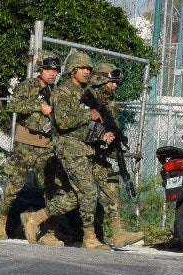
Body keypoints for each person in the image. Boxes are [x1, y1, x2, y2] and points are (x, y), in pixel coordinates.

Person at [21, 50, 109, 249]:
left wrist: (102, 134)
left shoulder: (84, 93)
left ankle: (36, 217)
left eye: (88, 68)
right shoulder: (63, 92)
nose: (86, 72)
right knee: (88, 192)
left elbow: (85, 126)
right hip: (70, 150)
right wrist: (89, 116)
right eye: (82, 68)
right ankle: (89, 237)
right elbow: (63, 121)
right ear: (72, 71)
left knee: (74, 195)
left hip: (84, 149)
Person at [0, 54, 60, 241]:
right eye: (48, 70)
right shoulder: (28, 86)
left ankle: (49, 231)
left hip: (47, 145)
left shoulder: (58, 92)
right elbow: (13, 105)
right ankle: (0, 224)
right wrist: (40, 106)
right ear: (40, 70)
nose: (52, 74)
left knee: (52, 188)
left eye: (55, 71)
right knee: (14, 185)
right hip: (25, 143)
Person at [87, 62, 144, 248]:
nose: (115, 86)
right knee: (71, 198)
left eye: (115, 83)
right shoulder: (83, 98)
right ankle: (45, 226)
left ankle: (118, 232)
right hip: (79, 154)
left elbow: (108, 126)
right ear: (100, 81)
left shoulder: (110, 103)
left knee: (112, 185)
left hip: (98, 154)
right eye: (111, 82)